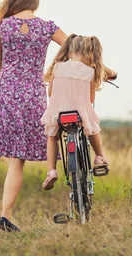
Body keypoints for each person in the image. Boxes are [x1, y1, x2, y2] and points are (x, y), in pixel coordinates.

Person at [0, 0, 67, 232]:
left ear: (14, 1)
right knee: (16, 160)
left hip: (4, 95)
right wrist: (50, 72)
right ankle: (6, 215)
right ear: (35, 4)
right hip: (32, 98)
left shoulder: (2, 26)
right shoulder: (48, 27)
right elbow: (73, 47)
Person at [40, 34, 116, 190]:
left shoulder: (58, 67)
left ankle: (51, 171)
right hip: (80, 113)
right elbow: (91, 98)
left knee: (52, 137)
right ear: (89, 53)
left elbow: (50, 93)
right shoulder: (90, 71)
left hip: (58, 112)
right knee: (93, 128)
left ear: (69, 52)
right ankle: (100, 156)